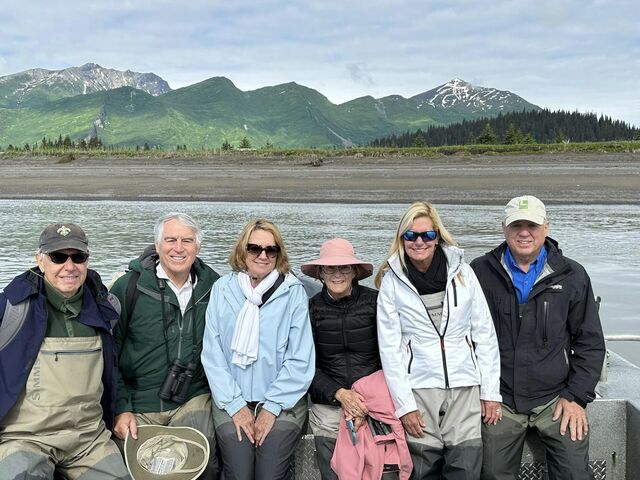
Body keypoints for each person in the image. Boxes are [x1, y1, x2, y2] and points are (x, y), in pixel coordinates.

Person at [470, 195, 605, 480]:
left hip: (555, 398)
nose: (524, 232)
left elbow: (590, 343)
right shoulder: (478, 272)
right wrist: (483, 393)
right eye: (516, 225)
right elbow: (464, 337)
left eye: (531, 225)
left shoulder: (572, 274)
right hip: (500, 399)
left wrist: (577, 397)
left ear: (546, 227)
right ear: (504, 228)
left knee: (574, 473)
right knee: (491, 472)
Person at [375, 201, 502, 479]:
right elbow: (390, 350)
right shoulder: (391, 281)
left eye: (427, 235)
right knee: (422, 471)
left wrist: (490, 393)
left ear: (437, 237)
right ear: (401, 238)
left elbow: (484, 334)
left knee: (465, 469)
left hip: (464, 388)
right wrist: (404, 406)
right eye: (410, 235)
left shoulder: (463, 273)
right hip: (419, 390)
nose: (418, 241)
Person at [0, 223, 130, 479]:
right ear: (40, 260)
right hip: (25, 438)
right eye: (58, 257)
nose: (69, 267)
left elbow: (116, 369)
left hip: (89, 439)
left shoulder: (107, 308)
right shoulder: (9, 308)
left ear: (87, 260)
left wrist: (123, 409)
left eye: (78, 257)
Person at [109, 212, 221, 479]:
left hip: (192, 397)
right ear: (158, 245)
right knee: (131, 468)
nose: (178, 248)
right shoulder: (128, 288)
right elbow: (109, 354)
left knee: (200, 458)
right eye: (170, 240)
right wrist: (120, 408)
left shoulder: (215, 287)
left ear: (198, 247)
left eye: (187, 240)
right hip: (139, 402)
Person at [202, 218, 314, 480]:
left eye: (270, 250)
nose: (262, 255)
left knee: (270, 474)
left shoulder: (293, 292)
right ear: (243, 251)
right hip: (231, 399)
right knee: (239, 471)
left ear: (278, 254)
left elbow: (300, 358)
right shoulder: (223, 289)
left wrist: (271, 407)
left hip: (283, 401)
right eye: (255, 248)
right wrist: (234, 405)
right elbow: (212, 353)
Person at [300, 238, 382, 480]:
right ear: (321, 273)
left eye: (344, 267)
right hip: (330, 401)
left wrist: (363, 402)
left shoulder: (375, 302)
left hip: (373, 398)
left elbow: (392, 358)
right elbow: (304, 365)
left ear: (355, 272)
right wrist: (339, 393)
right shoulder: (311, 309)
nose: (337, 274)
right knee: (333, 465)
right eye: (330, 268)